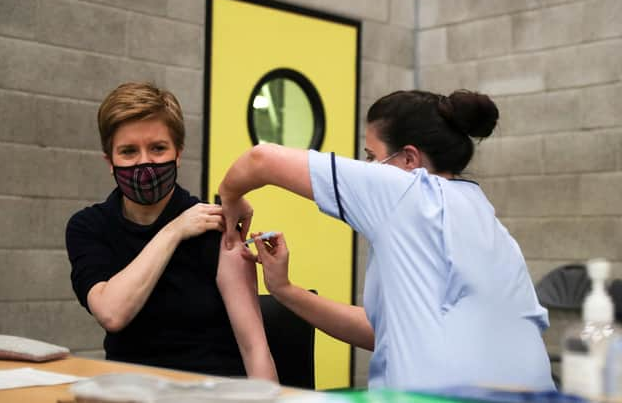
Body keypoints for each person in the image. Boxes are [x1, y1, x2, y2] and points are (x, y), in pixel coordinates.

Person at [218, 89, 555, 390]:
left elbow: (259, 160)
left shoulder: (406, 191)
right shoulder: (489, 222)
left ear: (409, 159)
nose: (367, 166)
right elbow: (384, 334)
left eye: (370, 155)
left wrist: (230, 201)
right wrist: (285, 290)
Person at [65, 82, 276, 380]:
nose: (145, 163)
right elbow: (112, 313)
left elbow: (254, 349)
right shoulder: (89, 227)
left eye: (158, 148)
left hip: (211, 395)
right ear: (109, 162)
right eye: (128, 151)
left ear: (178, 153)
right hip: (129, 393)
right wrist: (173, 230)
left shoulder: (216, 226)